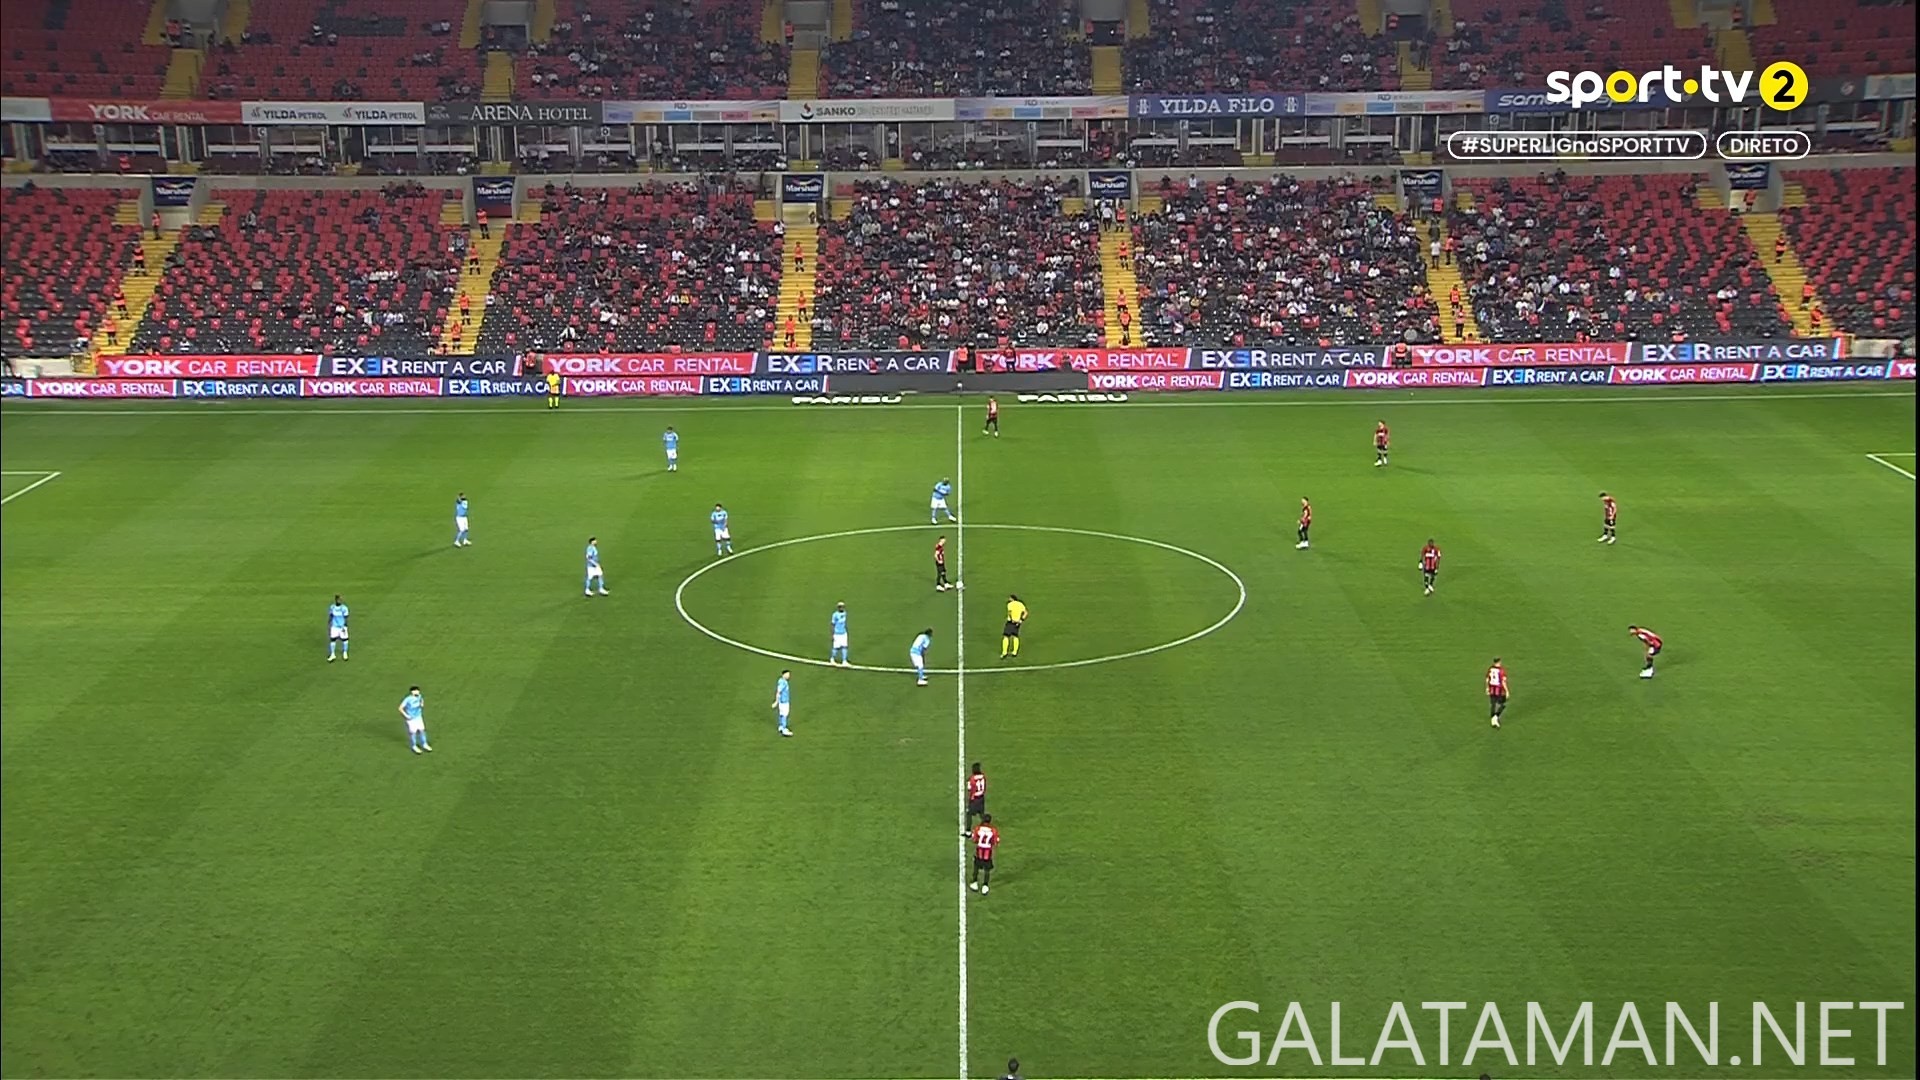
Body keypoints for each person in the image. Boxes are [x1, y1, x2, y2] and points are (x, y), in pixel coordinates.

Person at [969, 814, 1000, 894]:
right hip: (987, 852)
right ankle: (985, 885)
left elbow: (974, 839)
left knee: (976, 867)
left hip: (979, 851)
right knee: (987, 869)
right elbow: (996, 842)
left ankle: (975, 882)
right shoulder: (993, 830)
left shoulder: (978, 828)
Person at [399, 686, 432, 753]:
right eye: (415, 690)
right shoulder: (408, 699)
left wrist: (422, 704)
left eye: (417, 690)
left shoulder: (419, 696)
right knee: (413, 733)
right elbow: (400, 708)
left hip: (418, 717)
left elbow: (421, 700)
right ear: (412, 692)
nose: (417, 692)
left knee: (422, 730)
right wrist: (406, 715)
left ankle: (424, 744)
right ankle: (414, 746)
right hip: (411, 719)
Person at [963, 763, 987, 833]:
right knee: (981, 813)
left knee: (969, 814)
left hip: (974, 799)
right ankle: (985, 827)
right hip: (981, 797)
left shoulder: (972, 779)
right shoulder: (983, 776)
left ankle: (968, 831)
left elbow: (969, 789)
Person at [1001, 594, 1028, 658]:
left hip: (1010, 622)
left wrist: (1012, 619)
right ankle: (1014, 652)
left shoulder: (1010, 604)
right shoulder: (1021, 604)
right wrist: (1021, 620)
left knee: (1006, 636)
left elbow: (1010, 613)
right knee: (1015, 636)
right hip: (1018, 622)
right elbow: (1026, 613)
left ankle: (1004, 652)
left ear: (1012, 599)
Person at [327, 594, 350, 661]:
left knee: (345, 640)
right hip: (334, 627)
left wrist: (345, 627)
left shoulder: (344, 608)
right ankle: (332, 654)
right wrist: (329, 623)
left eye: (340, 599)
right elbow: (331, 615)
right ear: (336, 600)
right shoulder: (332, 607)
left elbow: (346, 617)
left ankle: (345, 653)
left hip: (342, 627)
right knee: (333, 639)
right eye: (338, 599)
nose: (340, 601)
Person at [1487, 658, 1509, 729]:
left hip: (1491, 689)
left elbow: (1487, 679)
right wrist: (1507, 691)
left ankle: (1492, 719)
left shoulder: (1490, 669)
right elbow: (1503, 681)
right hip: (1498, 689)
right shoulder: (1501, 670)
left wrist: (1487, 688)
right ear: (1499, 662)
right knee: (1503, 704)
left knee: (1493, 704)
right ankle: (1495, 717)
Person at [771, 669, 793, 736]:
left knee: (781, 714)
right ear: (784, 674)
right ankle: (784, 729)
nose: (789, 676)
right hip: (784, 701)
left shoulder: (780, 680)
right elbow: (778, 692)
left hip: (781, 701)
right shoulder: (783, 683)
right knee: (784, 715)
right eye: (788, 674)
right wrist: (776, 702)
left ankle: (780, 726)